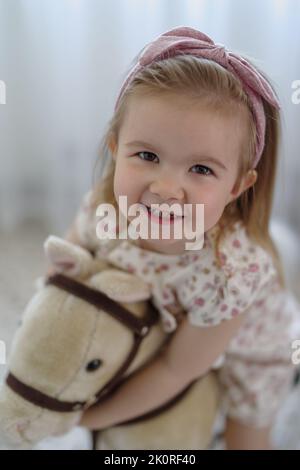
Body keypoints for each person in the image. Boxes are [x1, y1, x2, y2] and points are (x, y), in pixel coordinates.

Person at [47, 26, 300, 449]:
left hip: (246, 351)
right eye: (147, 156)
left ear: (237, 186)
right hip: (165, 321)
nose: (165, 188)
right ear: (116, 148)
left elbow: (174, 369)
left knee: (246, 439)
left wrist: (87, 417)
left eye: (201, 170)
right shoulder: (103, 209)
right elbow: (66, 267)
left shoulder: (231, 273)